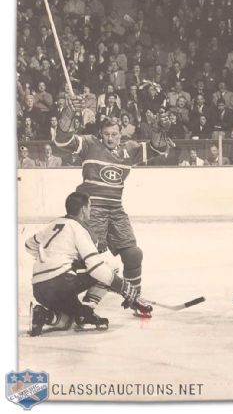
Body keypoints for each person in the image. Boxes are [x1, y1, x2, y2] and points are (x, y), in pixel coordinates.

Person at [54, 93, 170, 317]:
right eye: (106, 134)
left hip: (116, 209)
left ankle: (134, 297)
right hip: (90, 210)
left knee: (134, 254)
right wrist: (68, 111)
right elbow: (62, 141)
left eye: (114, 134)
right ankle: (68, 302)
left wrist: (158, 129)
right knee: (86, 260)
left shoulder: (130, 149)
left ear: (121, 134)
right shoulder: (90, 144)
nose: (110, 138)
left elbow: (157, 148)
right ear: (101, 134)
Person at [25, 192, 143, 336]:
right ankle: (87, 311)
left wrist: (48, 257)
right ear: (83, 209)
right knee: (110, 266)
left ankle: (44, 315)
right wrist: (125, 288)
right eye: (89, 206)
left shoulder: (53, 224)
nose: (90, 210)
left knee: (66, 321)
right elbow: (97, 269)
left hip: (39, 288)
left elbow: (29, 245)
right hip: (61, 283)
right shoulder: (80, 229)